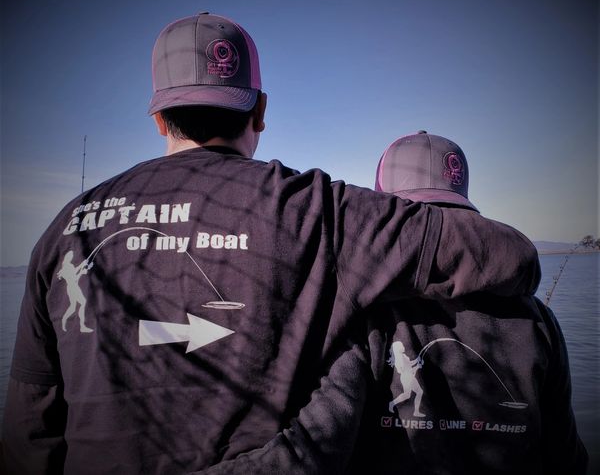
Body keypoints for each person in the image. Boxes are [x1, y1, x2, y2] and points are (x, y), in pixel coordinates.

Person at [2, 14, 540, 475]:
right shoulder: (316, 209)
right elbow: (506, 253)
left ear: (160, 117)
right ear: (259, 111)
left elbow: (32, 421)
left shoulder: (68, 225)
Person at [198, 132, 587, 475]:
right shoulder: (538, 320)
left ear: (392, 215)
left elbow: (318, 448)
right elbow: (565, 456)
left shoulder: (367, 316)